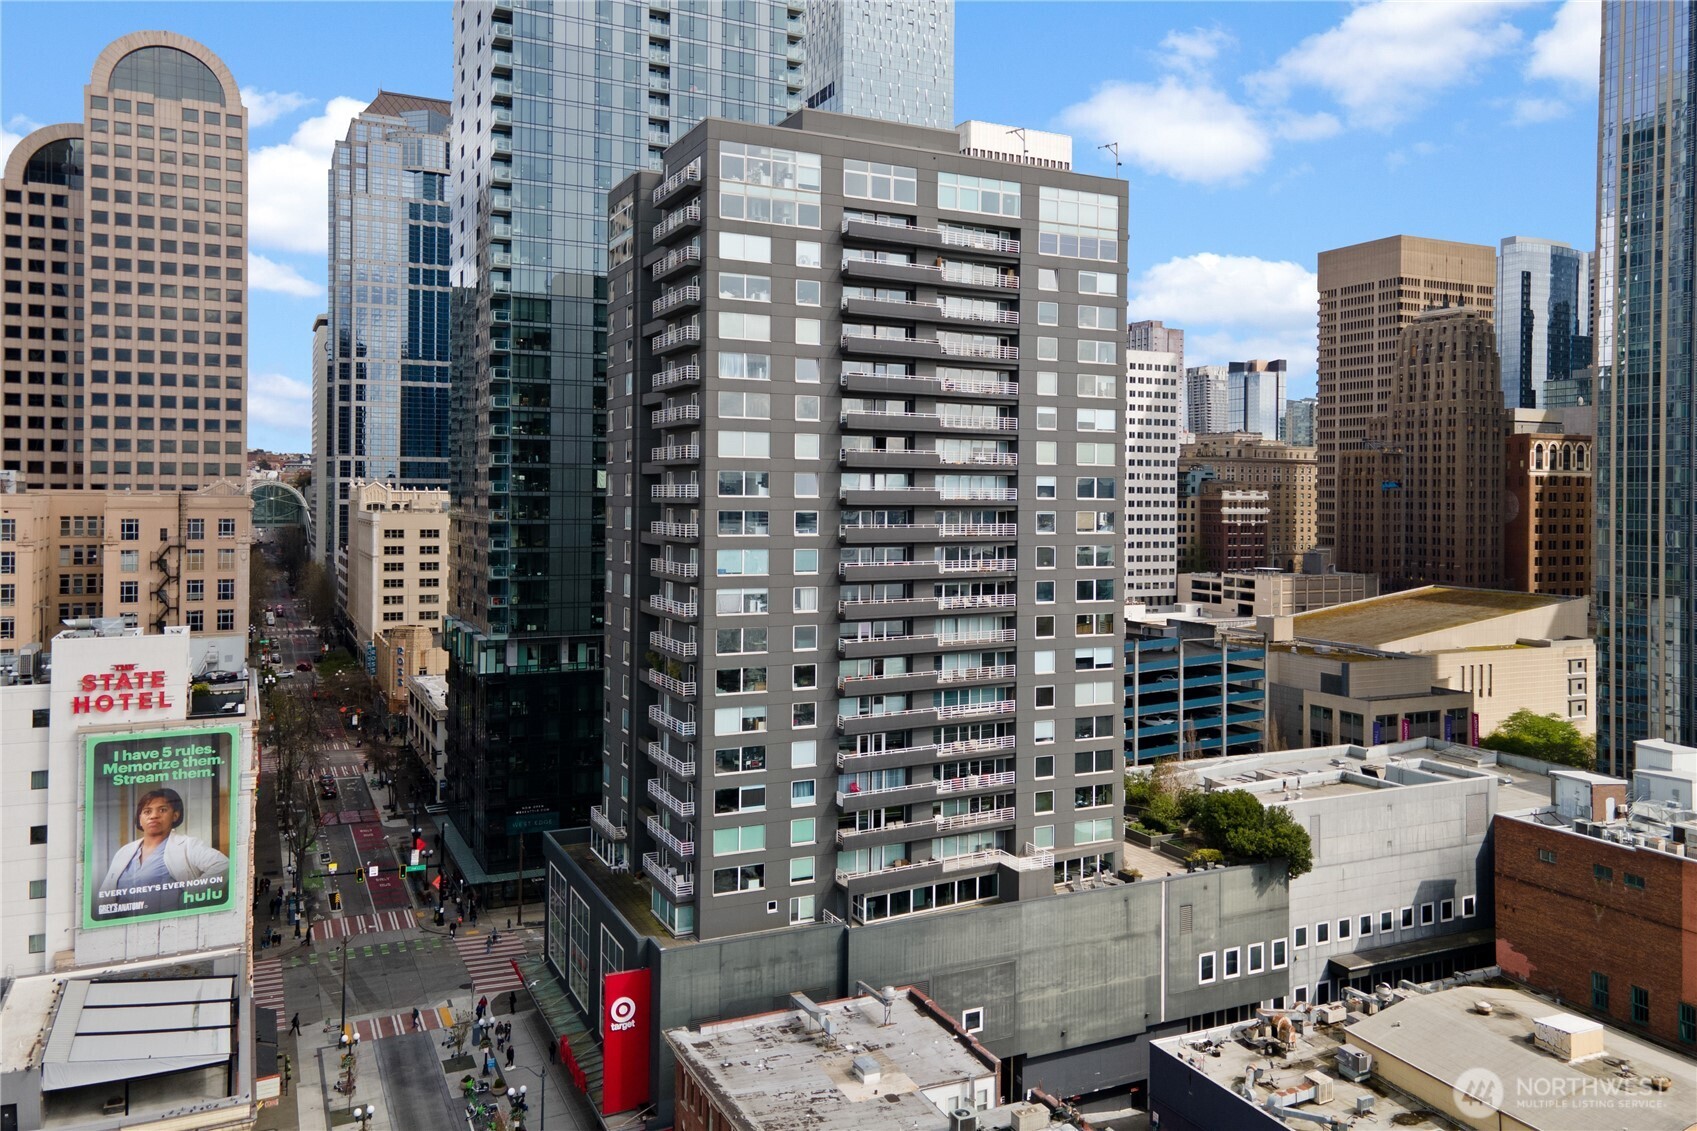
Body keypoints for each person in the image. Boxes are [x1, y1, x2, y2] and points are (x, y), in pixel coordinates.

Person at [98, 788, 230, 913]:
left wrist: (188, 898)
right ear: (140, 819)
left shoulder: (187, 845)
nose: (154, 816)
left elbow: (223, 865)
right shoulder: (124, 852)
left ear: (175, 816)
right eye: (147, 811)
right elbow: (105, 896)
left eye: (162, 810)